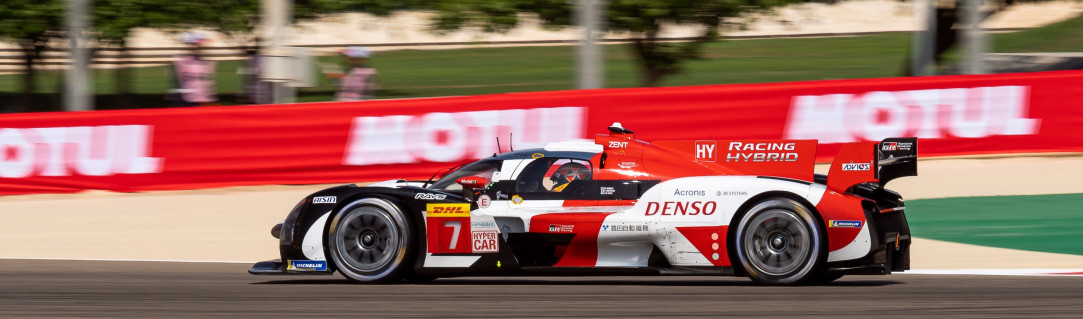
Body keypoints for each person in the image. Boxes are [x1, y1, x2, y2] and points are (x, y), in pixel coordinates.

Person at [170, 32, 218, 106]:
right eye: (195, 45)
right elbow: (177, 83)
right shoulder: (180, 61)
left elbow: (208, 82)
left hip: (202, 99)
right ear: (189, 45)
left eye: (199, 45)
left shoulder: (206, 62)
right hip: (187, 100)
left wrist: (210, 96)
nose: (199, 47)